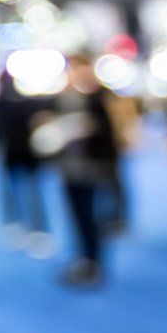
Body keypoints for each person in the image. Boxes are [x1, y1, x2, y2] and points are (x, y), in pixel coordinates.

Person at [38, 55, 121, 287]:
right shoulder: (58, 100)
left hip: (91, 168)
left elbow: (109, 137)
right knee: (75, 214)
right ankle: (82, 257)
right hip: (67, 168)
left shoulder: (98, 99)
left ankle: (94, 261)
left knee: (92, 216)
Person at [0, 73, 49, 250]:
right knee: (19, 192)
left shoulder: (12, 103)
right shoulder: (4, 103)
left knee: (27, 193)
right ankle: (20, 226)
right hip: (16, 154)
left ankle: (31, 227)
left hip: (21, 154)